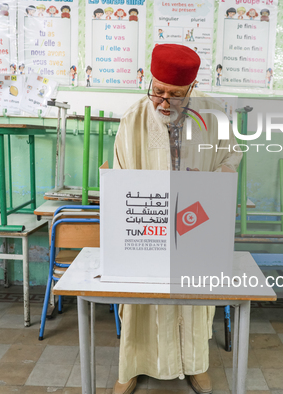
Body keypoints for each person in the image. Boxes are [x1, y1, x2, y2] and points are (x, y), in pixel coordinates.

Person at [112, 44, 242, 394]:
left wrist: (221, 176)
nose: (164, 102)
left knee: (194, 297)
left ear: (192, 88)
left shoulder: (214, 114)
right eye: (158, 91)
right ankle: (131, 366)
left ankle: (195, 364)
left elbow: (231, 154)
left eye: (176, 95)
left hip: (196, 222)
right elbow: (122, 174)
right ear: (150, 82)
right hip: (147, 222)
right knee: (141, 298)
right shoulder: (133, 118)